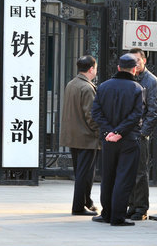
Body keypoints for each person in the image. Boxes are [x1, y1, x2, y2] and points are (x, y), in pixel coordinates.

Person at [91, 54, 143, 226]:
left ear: (119, 67)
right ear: (134, 69)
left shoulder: (103, 87)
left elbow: (96, 113)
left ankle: (106, 213)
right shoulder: (137, 88)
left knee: (108, 176)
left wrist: (109, 131)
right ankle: (118, 216)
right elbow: (136, 115)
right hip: (128, 139)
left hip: (108, 139)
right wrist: (120, 131)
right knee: (124, 177)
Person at [59, 55, 100, 216]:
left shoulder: (72, 84)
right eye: (95, 67)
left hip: (73, 136)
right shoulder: (87, 88)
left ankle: (86, 201)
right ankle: (78, 206)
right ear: (91, 69)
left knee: (81, 172)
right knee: (84, 174)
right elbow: (91, 115)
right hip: (86, 137)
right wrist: (99, 132)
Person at [126, 48, 157, 221]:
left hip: (139, 134)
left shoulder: (151, 81)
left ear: (144, 61)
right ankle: (131, 205)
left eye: (138, 61)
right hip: (127, 132)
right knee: (128, 171)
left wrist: (143, 133)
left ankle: (141, 208)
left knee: (140, 172)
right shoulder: (129, 78)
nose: (135, 64)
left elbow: (154, 110)